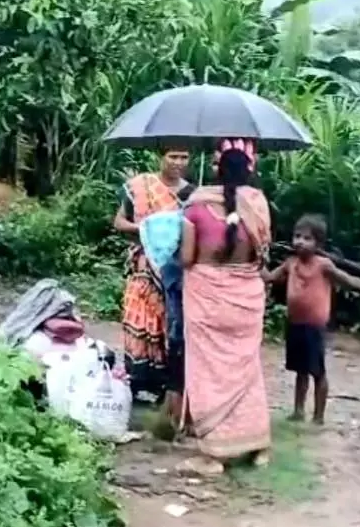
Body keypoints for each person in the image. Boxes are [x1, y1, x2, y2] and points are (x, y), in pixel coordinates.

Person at [175, 139, 271, 475]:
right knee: (247, 368)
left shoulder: (196, 206)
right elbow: (261, 256)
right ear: (249, 169)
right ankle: (258, 446)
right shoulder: (258, 204)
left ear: (216, 168)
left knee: (209, 372)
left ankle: (213, 454)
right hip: (246, 298)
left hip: (207, 298)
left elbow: (187, 258)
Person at [266, 214, 360, 424]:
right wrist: (253, 258)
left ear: (318, 243)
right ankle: (298, 411)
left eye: (307, 238)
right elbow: (269, 277)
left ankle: (318, 416)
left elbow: (350, 281)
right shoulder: (290, 263)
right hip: (295, 323)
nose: (300, 241)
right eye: (297, 236)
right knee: (300, 370)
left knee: (317, 371)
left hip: (314, 326)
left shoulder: (323, 265)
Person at [112, 150, 194, 404]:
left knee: (169, 324)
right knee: (139, 320)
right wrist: (149, 229)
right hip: (142, 267)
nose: (178, 163)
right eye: (173, 156)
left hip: (174, 270)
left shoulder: (193, 194)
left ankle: (166, 386)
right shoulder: (140, 187)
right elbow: (118, 223)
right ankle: (136, 381)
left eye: (184, 157)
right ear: (161, 157)